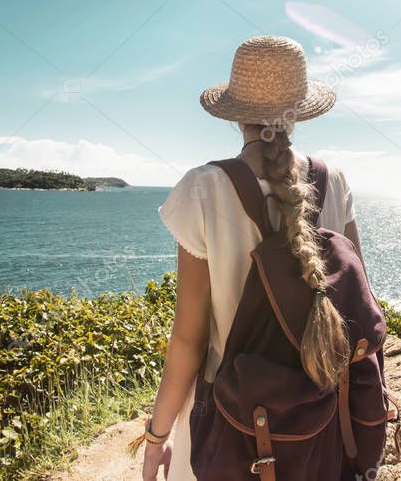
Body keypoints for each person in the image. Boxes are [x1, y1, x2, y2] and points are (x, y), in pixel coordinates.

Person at [141, 35, 366, 481]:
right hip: (317, 423)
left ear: (236, 114)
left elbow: (188, 340)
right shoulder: (334, 181)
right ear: (298, 112)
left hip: (233, 424)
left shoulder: (202, 188)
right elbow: (357, 307)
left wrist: (156, 436)